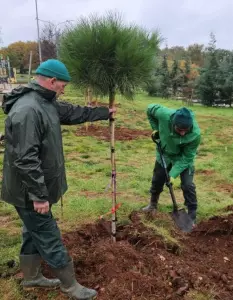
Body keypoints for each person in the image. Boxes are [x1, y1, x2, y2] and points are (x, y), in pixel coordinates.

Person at [1, 59, 116, 300]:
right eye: (63, 85)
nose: (64, 89)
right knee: (48, 233)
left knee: (32, 231)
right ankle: (70, 286)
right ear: (52, 81)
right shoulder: (28, 110)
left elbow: (72, 112)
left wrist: (105, 113)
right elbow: (25, 159)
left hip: (34, 188)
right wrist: (39, 196)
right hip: (28, 191)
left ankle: (32, 277)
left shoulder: (45, 102)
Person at [142, 104, 201, 224]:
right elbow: (149, 110)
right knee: (158, 178)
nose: (183, 133)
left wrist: (173, 174)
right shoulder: (164, 115)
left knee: (188, 185)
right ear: (173, 123)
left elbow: (187, 158)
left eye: (186, 130)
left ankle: (192, 215)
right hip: (165, 154)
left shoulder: (195, 135)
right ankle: (153, 204)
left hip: (183, 158)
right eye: (180, 130)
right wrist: (155, 129)